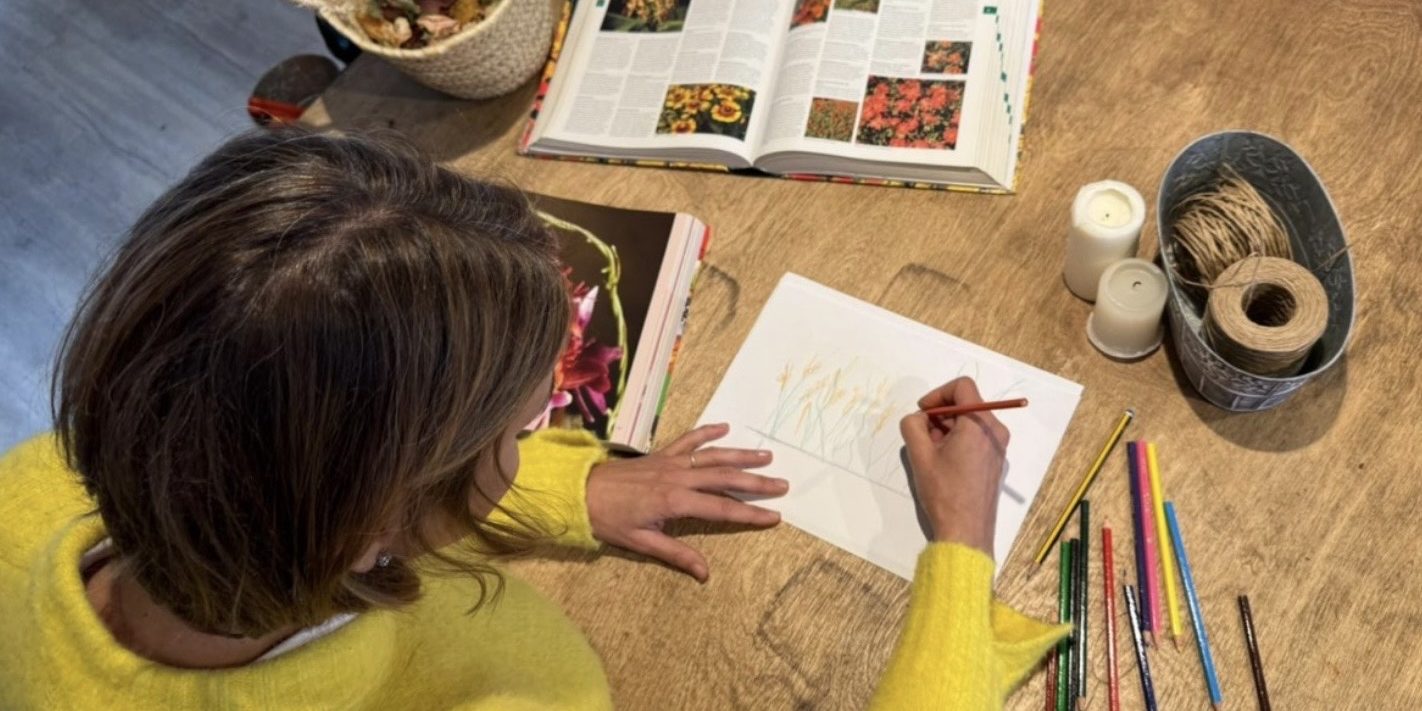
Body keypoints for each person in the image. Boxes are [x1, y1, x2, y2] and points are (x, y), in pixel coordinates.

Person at [0, 128, 1066, 710]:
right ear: (372, 529)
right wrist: (961, 553)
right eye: (522, 432)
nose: (546, 442)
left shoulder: (42, 486)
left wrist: (570, 488)